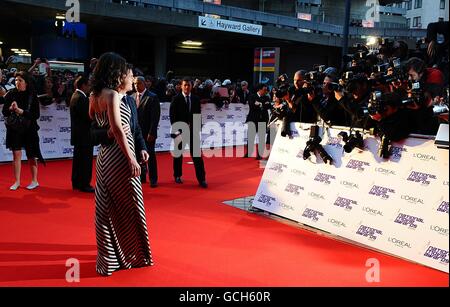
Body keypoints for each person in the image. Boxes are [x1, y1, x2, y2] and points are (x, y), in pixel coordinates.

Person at [89, 52, 153, 276]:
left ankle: (110, 257)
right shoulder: (113, 96)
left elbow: (95, 125)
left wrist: (138, 148)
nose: (131, 75)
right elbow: (116, 129)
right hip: (119, 157)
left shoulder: (94, 96)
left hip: (104, 159)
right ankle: (134, 253)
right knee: (132, 203)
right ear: (116, 72)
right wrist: (131, 158)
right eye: (127, 71)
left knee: (106, 206)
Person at [2, 71, 44, 190]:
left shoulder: (32, 95)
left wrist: (22, 111)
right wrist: (11, 108)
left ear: (26, 82)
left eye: (20, 80)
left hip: (29, 128)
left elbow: (36, 115)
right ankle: (17, 181)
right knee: (16, 154)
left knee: (32, 155)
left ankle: (35, 180)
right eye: (16, 80)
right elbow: (4, 111)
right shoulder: (10, 94)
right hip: (15, 128)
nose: (17, 82)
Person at [169, 77, 207, 188]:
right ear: (181, 86)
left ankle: (202, 179)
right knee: (178, 155)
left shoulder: (195, 99)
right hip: (179, 131)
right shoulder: (176, 98)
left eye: (188, 85)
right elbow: (172, 115)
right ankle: (177, 175)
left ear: (191, 86)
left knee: (197, 156)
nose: (186, 87)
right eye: (185, 85)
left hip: (193, 132)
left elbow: (198, 115)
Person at [133, 76, 161, 187]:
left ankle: (153, 179)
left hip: (148, 132)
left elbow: (155, 117)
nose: (136, 85)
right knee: (138, 155)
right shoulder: (131, 97)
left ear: (144, 84)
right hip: (135, 133)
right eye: (135, 83)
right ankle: (142, 177)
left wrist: (152, 132)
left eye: (138, 83)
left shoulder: (152, 97)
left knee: (150, 156)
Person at [70, 75, 94, 193]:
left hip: (79, 135)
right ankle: (84, 184)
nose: (90, 87)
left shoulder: (75, 96)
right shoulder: (81, 98)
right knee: (85, 160)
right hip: (84, 135)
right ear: (83, 85)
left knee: (78, 160)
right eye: (88, 84)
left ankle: (77, 182)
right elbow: (88, 117)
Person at [245, 83, 270, 160]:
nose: (266, 91)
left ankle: (259, 154)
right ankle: (249, 153)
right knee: (250, 136)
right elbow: (252, 105)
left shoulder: (267, 97)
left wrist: (259, 104)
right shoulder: (252, 96)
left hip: (263, 119)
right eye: (264, 90)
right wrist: (262, 104)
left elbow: (268, 106)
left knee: (261, 138)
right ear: (259, 89)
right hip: (253, 119)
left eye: (266, 90)